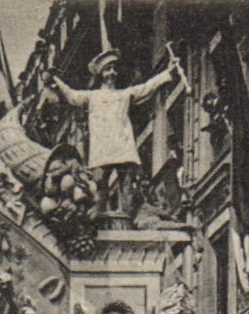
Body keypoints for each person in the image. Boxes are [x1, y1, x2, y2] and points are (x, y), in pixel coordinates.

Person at [45, 49, 176, 213]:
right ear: (100, 74)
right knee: (99, 191)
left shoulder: (124, 95)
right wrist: (56, 81)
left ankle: (129, 219)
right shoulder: (92, 97)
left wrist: (167, 72)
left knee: (128, 189)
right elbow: (72, 96)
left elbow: (146, 88)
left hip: (123, 148)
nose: (112, 73)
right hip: (102, 150)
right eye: (107, 69)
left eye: (114, 68)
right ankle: (97, 221)